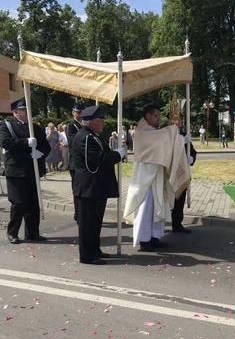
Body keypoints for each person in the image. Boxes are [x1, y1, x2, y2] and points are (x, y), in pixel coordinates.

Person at [123, 104, 190, 252]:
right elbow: (162, 140)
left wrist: (177, 139)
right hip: (145, 178)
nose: (158, 119)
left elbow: (163, 141)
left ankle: (154, 237)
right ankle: (143, 240)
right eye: (156, 116)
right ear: (148, 116)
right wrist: (176, 135)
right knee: (145, 209)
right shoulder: (142, 130)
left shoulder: (153, 131)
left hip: (156, 175)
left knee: (157, 207)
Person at [72, 106, 125, 265]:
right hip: (89, 186)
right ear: (93, 122)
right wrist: (118, 155)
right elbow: (100, 159)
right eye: (101, 120)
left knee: (95, 222)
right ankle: (87, 256)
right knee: (88, 224)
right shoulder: (86, 137)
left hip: (95, 186)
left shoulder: (93, 136)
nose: (103, 124)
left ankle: (95, 250)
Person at [0, 100, 50, 244]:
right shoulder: (6, 125)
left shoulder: (36, 128)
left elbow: (46, 146)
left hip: (32, 170)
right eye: (24, 110)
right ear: (16, 112)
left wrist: (41, 152)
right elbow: (5, 142)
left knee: (33, 203)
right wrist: (26, 142)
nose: (28, 112)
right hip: (16, 170)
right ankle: (12, 232)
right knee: (18, 202)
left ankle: (32, 233)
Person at [172, 114, 197, 233]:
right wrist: (182, 142)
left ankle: (177, 223)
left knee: (180, 199)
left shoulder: (183, 135)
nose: (178, 122)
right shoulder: (165, 134)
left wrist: (191, 158)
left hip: (181, 172)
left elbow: (192, 151)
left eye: (180, 120)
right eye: (175, 120)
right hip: (170, 172)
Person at [66, 102, 84, 221]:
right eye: (78, 112)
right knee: (77, 190)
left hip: (83, 163)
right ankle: (78, 214)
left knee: (84, 190)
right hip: (75, 163)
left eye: (81, 112)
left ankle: (83, 213)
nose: (80, 114)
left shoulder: (84, 125)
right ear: (73, 112)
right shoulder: (71, 126)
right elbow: (74, 142)